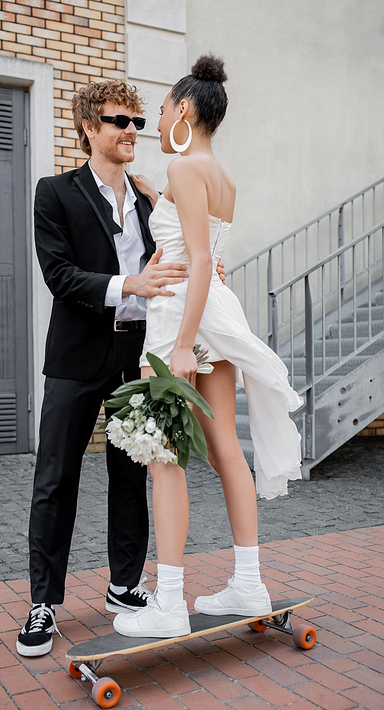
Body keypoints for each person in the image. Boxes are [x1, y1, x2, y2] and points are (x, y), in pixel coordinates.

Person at [16, 78, 225, 657]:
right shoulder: (53, 192)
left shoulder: (150, 197)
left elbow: (187, 256)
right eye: (119, 121)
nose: (133, 131)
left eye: (138, 122)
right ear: (90, 127)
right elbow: (58, 276)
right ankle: (42, 603)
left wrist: (211, 276)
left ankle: (124, 585)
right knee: (56, 477)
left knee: (133, 472)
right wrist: (127, 283)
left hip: (136, 351)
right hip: (76, 356)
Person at [113, 55, 303, 639]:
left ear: (185, 110)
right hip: (215, 306)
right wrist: (157, 196)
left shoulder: (184, 172)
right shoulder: (218, 177)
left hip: (183, 317)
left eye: (165, 107)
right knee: (224, 447)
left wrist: (183, 345)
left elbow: (196, 260)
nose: (160, 116)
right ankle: (249, 582)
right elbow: (207, 252)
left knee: (166, 457)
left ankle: (168, 600)